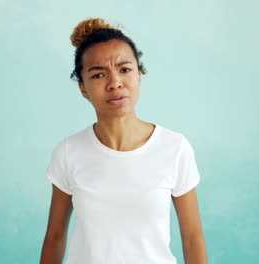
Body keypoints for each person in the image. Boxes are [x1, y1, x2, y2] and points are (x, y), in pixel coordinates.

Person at [40, 17, 208, 264]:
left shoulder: (174, 148)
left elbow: (192, 237)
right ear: (83, 88)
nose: (115, 83)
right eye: (98, 75)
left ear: (140, 75)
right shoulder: (68, 152)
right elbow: (55, 237)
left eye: (125, 69)